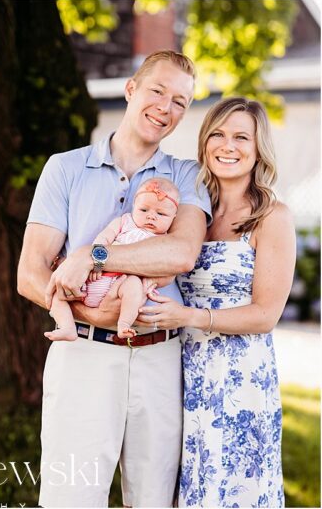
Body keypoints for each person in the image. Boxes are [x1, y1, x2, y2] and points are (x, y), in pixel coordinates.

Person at [17, 49, 211, 508]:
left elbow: (181, 253)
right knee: (71, 496)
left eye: (180, 102)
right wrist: (90, 312)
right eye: (157, 91)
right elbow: (30, 272)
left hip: (159, 356)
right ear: (130, 89)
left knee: (152, 499)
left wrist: (93, 255)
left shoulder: (188, 176)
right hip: (81, 353)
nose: (166, 108)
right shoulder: (64, 168)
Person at [139, 97, 295, 507]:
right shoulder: (188, 210)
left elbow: (266, 315)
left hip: (239, 377)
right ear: (205, 142)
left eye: (242, 136)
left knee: (232, 490)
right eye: (219, 134)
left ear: (258, 147)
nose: (228, 146)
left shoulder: (271, 217)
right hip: (180, 368)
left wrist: (188, 315)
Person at [45, 176, 180, 343]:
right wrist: (96, 263)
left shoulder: (165, 241)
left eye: (161, 213)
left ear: (174, 217)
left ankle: (124, 323)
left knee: (134, 286)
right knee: (59, 293)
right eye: (144, 210)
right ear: (134, 207)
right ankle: (67, 327)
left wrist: (152, 281)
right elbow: (103, 239)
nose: (151, 217)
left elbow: (169, 270)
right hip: (92, 279)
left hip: (120, 286)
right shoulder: (124, 222)